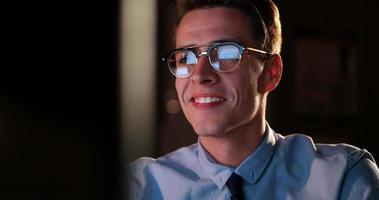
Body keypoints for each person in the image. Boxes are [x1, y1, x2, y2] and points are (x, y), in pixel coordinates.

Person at [128, 0, 379, 199]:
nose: (200, 75)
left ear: (271, 72)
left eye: (225, 53)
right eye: (186, 57)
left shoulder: (341, 179)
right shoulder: (141, 185)